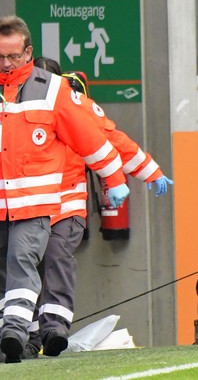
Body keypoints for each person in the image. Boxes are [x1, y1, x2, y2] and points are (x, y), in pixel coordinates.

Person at [0, 15, 131, 364]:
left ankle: (16, 329)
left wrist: (114, 178)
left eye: (13, 55)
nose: (6, 63)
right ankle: (4, 337)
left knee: (22, 260)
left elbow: (89, 138)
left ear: (28, 51)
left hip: (35, 204)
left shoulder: (54, 89)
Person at [20, 57, 174, 359]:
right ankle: (28, 335)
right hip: (24, 207)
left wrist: (150, 171)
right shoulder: (10, 106)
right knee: (24, 268)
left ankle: (53, 330)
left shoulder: (78, 106)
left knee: (55, 256)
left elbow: (112, 140)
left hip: (65, 205)